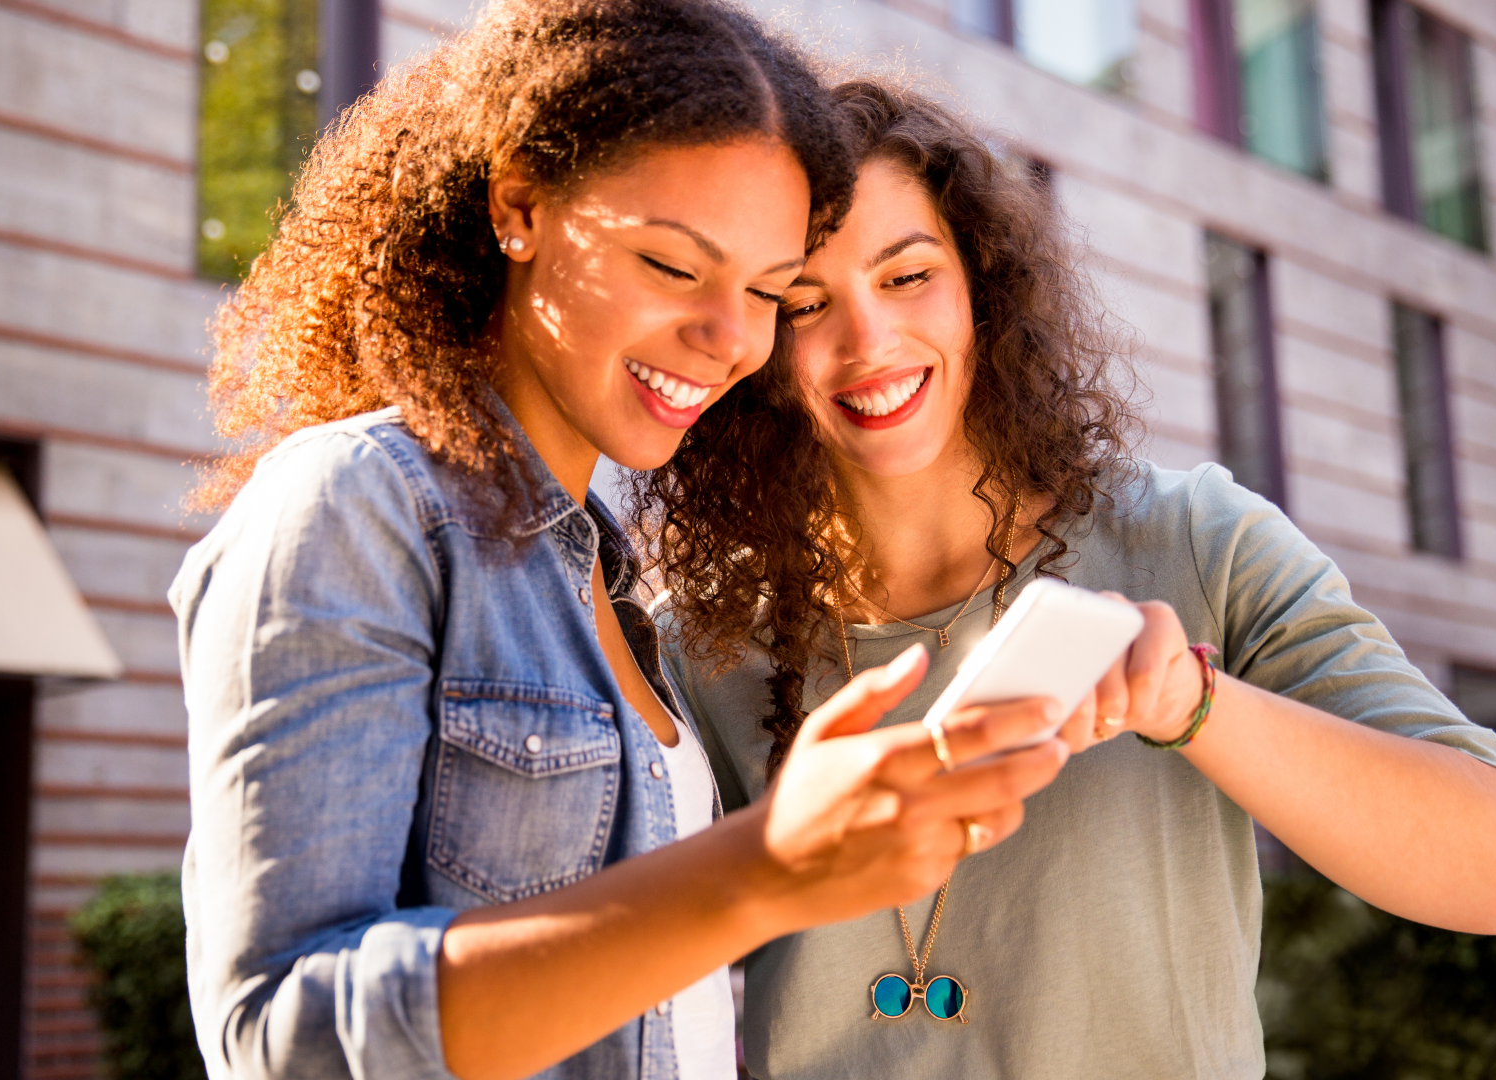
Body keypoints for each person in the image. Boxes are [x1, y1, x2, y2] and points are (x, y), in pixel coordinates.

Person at [172, 11, 1073, 1080]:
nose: (734, 341)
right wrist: (761, 870)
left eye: (769, 293)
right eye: (672, 265)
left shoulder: (610, 576)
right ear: (520, 206)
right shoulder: (358, 506)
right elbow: (283, 1037)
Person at [646, 77, 1496, 1079]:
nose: (868, 342)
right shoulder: (702, 638)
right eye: (806, 303)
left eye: (908, 277)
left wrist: (1193, 703)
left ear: (982, 283)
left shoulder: (1196, 540)